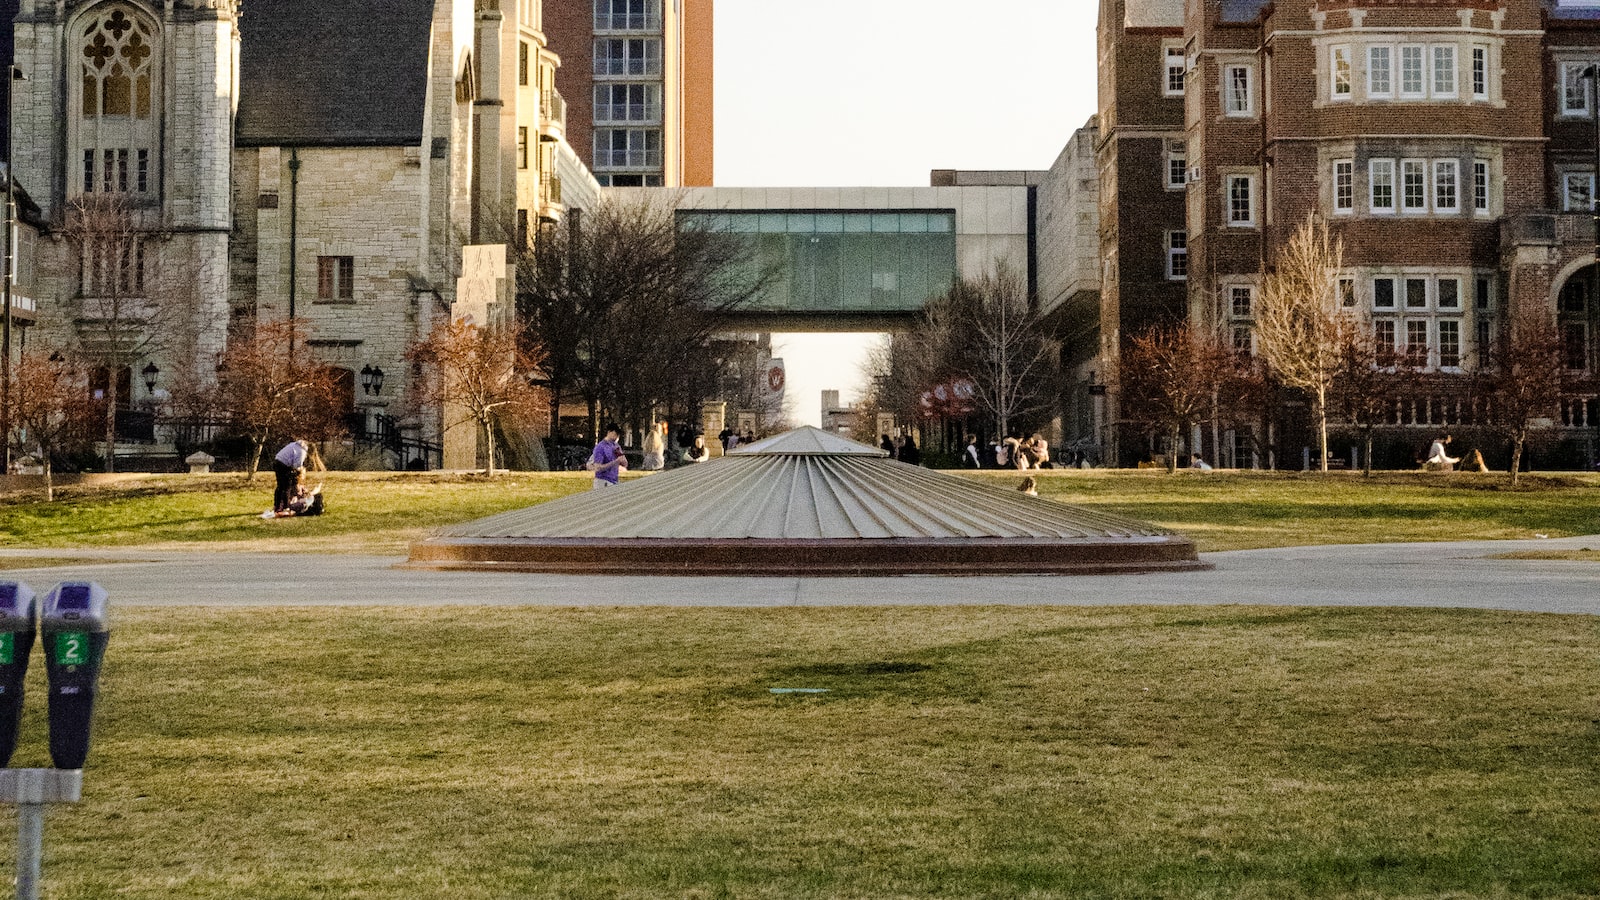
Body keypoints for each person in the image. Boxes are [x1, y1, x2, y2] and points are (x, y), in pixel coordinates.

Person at [271, 439, 310, 515]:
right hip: (284, 465)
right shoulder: (302, 451)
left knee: (280, 486)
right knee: (287, 487)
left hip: (277, 462)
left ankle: (276, 506)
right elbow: (297, 466)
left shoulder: (293, 445)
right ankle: (286, 507)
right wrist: (300, 472)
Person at [588, 423, 627, 488]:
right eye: (615, 434)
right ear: (609, 432)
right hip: (603, 481)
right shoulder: (601, 447)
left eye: (618, 434)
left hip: (614, 480)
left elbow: (625, 464)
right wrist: (615, 462)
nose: (617, 436)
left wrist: (622, 459)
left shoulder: (616, 446)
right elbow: (598, 467)